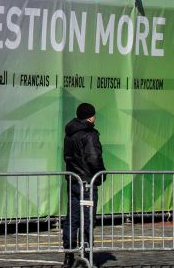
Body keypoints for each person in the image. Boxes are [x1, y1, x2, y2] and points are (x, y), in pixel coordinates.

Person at [63, 102, 105, 267]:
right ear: (90, 117)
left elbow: (67, 157)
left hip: (74, 181)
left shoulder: (69, 134)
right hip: (87, 183)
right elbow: (94, 158)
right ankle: (87, 256)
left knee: (71, 219)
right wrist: (100, 175)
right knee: (87, 220)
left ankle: (69, 256)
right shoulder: (90, 135)